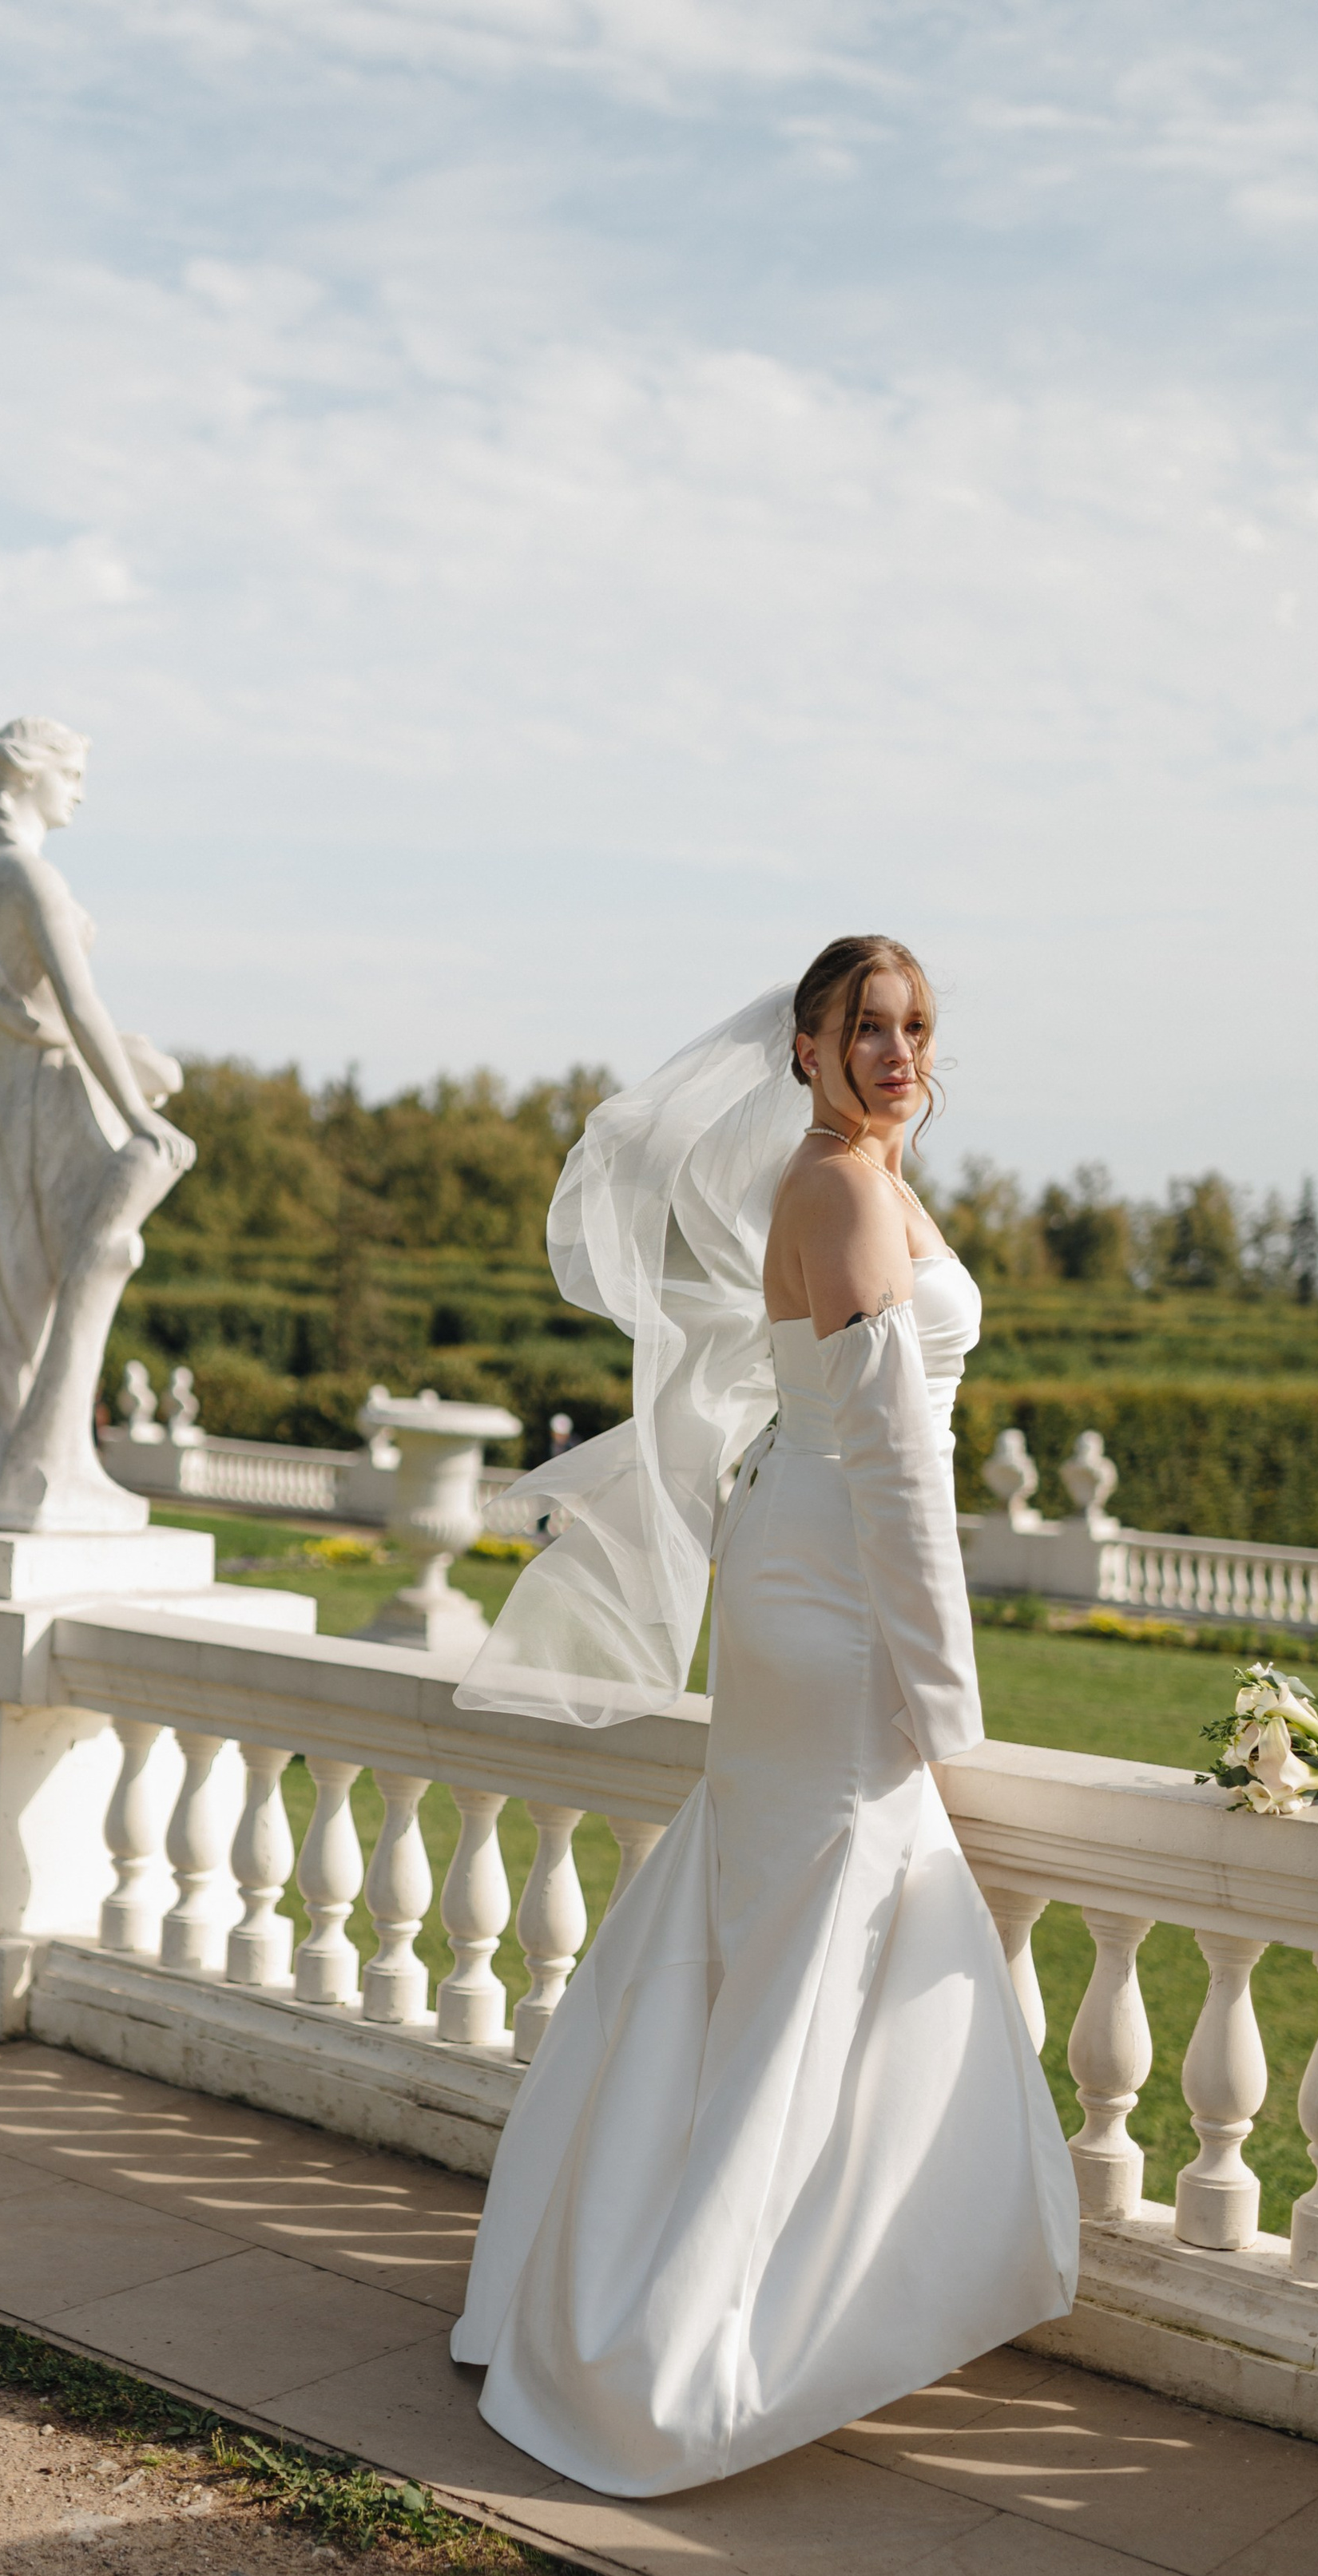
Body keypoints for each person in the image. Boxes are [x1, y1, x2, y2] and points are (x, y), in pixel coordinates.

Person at [449, 937, 1078, 2498]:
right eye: (864, 1027)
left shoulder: (852, 1172)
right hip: (838, 1592)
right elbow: (897, 1474)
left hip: (800, 1566)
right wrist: (946, 1702)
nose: (895, 1049)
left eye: (916, 1025)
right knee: (821, 1914)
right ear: (802, 1043)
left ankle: (609, 2253)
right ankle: (674, 2338)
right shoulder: (847, 1192)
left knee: (770, 1904)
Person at [0, 718, 197, 1533]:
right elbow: (78, 1006)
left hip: (14, 1091)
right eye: (71, 771)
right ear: (30, 776)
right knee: (37, 1280)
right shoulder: (29, 879)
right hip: (43, 1094)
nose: (79, 786)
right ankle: (14, 1470)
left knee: (12, 1282)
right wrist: (139, 1109)